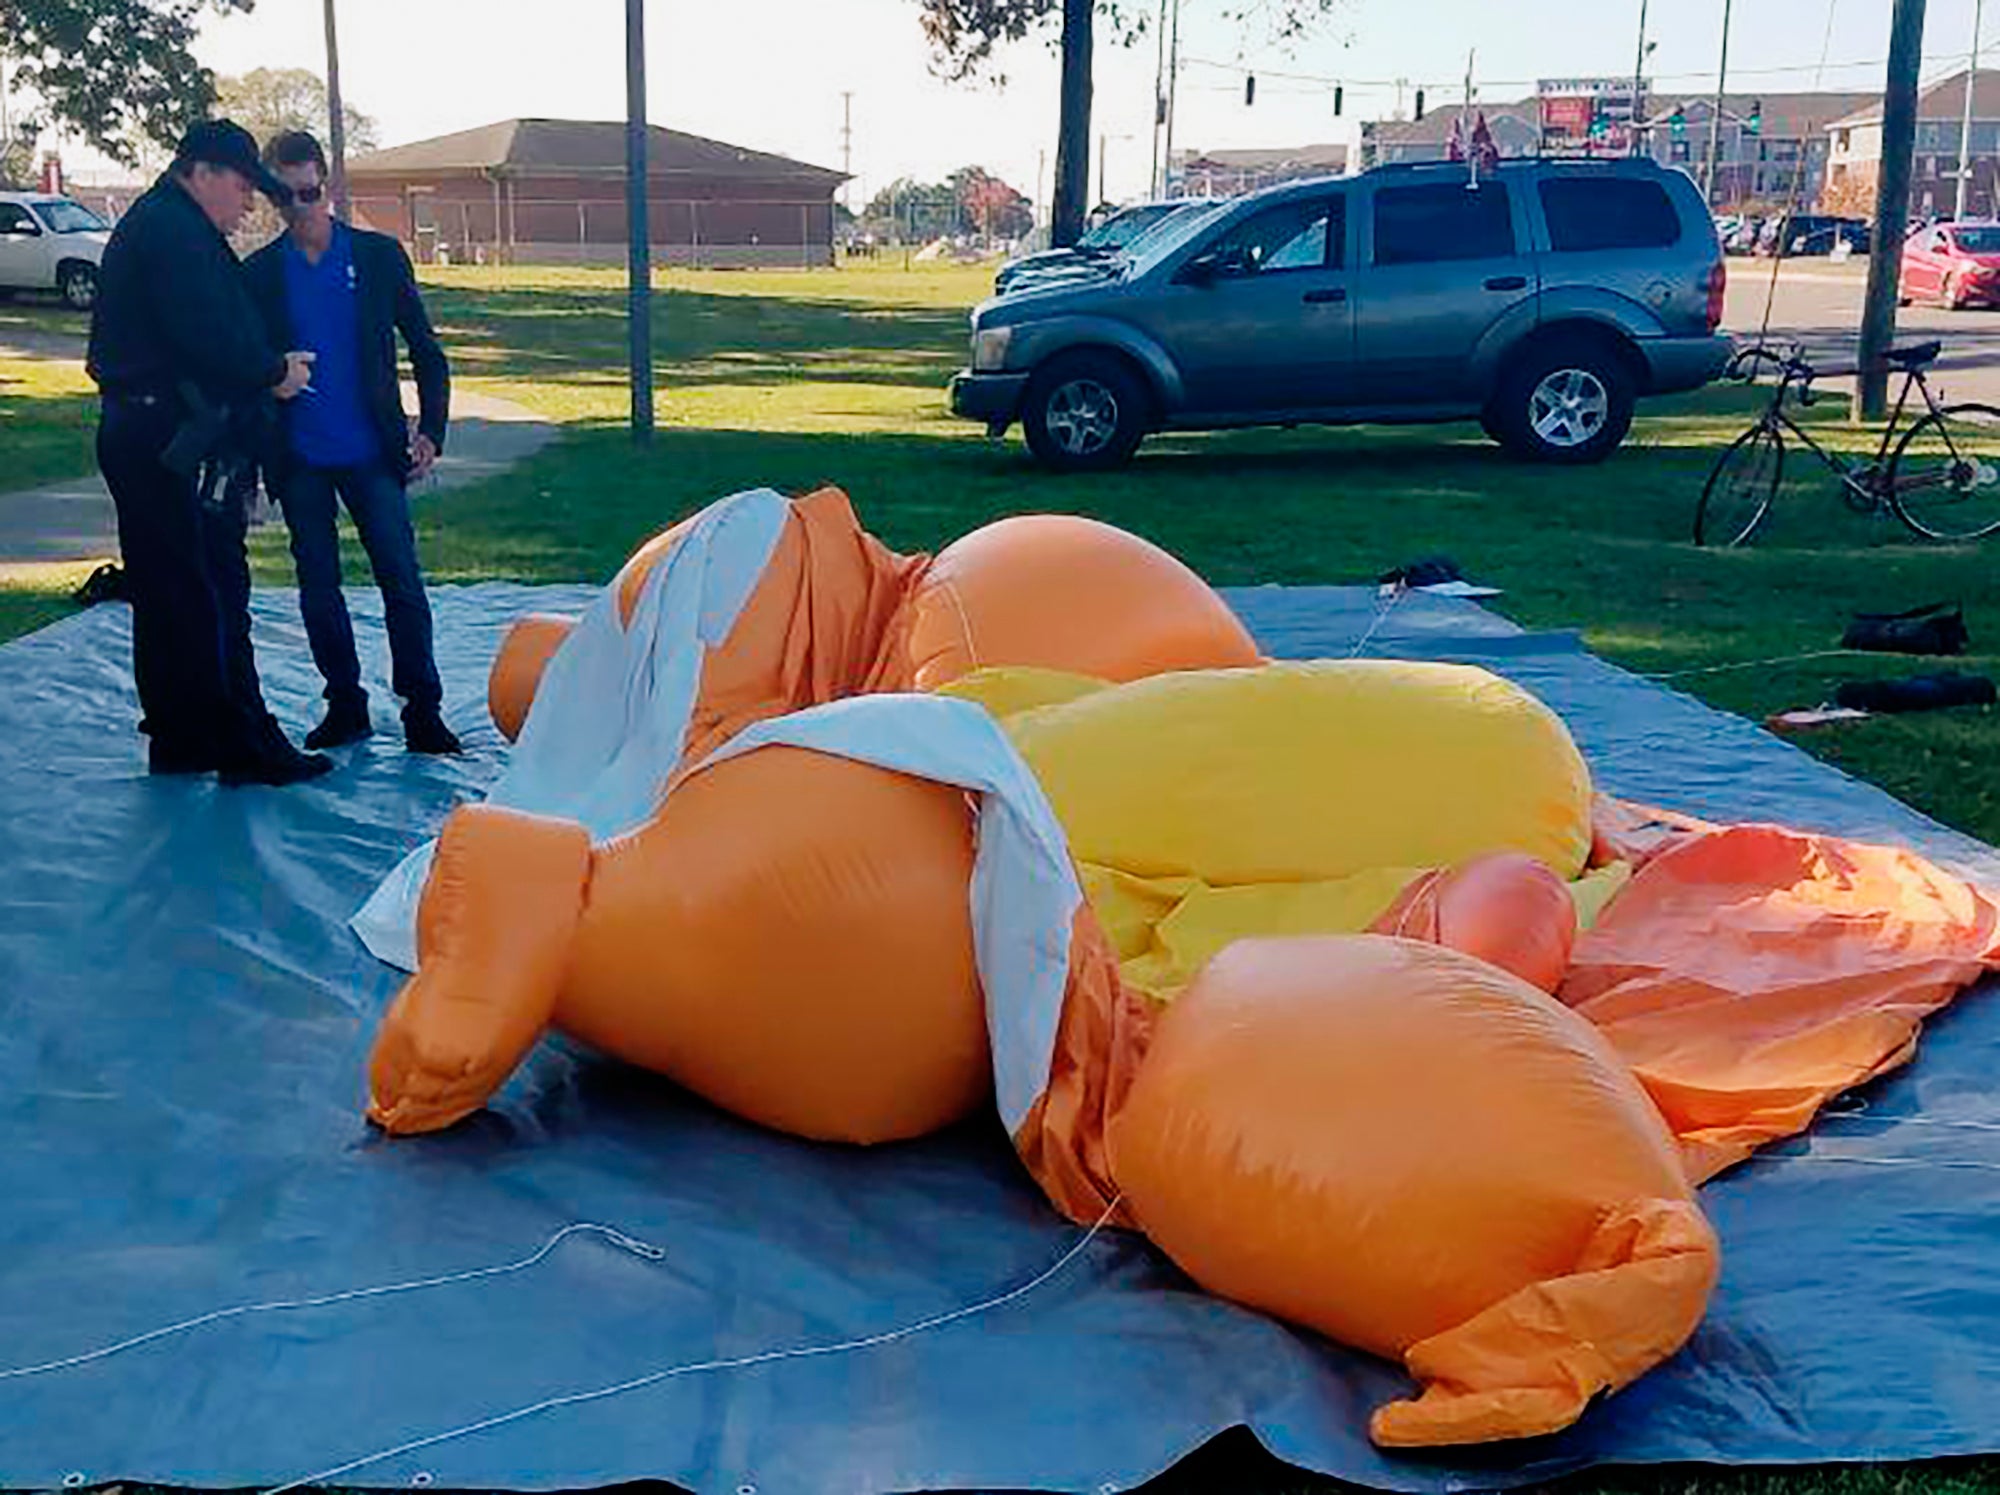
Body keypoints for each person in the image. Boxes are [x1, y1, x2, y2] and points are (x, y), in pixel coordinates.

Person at [86, 118, 332, 786]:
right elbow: (210, 335)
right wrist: (273, 370)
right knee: (210, 589)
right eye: (243, 186)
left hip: (142, 431)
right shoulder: (175, 232)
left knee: (167, 590)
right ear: (203, 173)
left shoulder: (160, 223)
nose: (248, 204)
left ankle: (180, 733)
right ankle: (243, 741)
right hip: (171, 439)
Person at [244, 130, 460, 755]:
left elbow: (426, 351)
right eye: (284, 198)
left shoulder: (376, 257)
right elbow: (249, 373)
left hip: (372, 453)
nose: (299, 208)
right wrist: (261, 462)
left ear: (327, 186)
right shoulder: (259, 276)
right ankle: (345, 704)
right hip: (302, 459)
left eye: (308, 193)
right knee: (318, 586)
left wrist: (431, 432)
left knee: (401, 580)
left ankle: (423, 708)